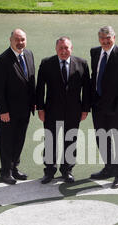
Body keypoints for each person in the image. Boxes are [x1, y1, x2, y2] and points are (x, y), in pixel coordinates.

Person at [36, 36, 90, 184]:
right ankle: (49, 171)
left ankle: (67, 170)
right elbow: (40, 88)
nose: (63, 51)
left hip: (74, 111)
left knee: (70, 140)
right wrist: (40, 108)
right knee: (50, 141)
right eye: (60, 48)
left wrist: (85, 109)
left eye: (66, 48)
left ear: (71, 49)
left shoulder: (82, 64)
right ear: (56, 49)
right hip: (51, 111)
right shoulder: (47, 63)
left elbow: (87, 89)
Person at [89, 26, 118, 188]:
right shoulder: (95, 52)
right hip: (98, 105)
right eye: (102, 38)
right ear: (98, 39)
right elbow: (94, 77)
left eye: (108, 38)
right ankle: (108, 168)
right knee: (102, 137)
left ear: (114, 37)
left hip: (117, 106)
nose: (105, 41)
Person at [0, 28, 36, 184]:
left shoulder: (29, 55)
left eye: (23, 39)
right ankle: (5, 171)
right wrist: (3, 110)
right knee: (7, 141)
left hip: (25, 110)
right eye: (17, 39)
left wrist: (34, 102)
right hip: (8, 112)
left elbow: (31, 80)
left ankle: (14, 168)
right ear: (10, 40)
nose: (20, 42)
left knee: (19, 140)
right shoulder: (2, 60)